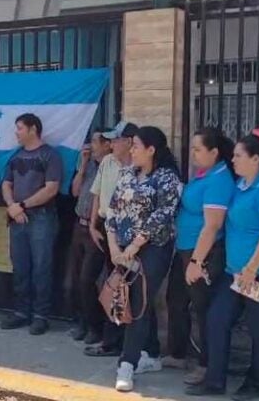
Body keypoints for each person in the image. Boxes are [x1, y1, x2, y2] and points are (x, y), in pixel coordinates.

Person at [187, 128, 259, 400]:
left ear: (256, 159)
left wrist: (252, 268)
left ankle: (258, 382)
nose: (233, 160)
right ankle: (214, 380)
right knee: (217, 318)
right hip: (235, 272)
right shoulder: (241, 187)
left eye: (239, 156)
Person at [107, 126, 182, 392]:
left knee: (138, 301)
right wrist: (114, 247)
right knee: (133, 299)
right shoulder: (127, 175)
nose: (132, 150)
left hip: (154, 248)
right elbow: (113, 211)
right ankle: (149, 353)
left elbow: (164, 213)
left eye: (136, 145)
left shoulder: (167, 178)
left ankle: (126, 364)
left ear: (151, 150)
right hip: (124, 249)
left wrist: (138, 242)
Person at [168, 127, 235, 384]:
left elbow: (213, 225)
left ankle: (207, 364)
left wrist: (196, 261)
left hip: (202, 253)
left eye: (198, 149)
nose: (192, 153)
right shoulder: (203, 175)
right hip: (185, 248)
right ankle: (177, 353)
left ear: (214, 152)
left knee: (203, 308)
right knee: (176, 299)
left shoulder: (219, 180)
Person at [1, 113, 62, 336]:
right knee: (20, 267)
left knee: (41, 267)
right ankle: (20, 312)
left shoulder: (50, 155)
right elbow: (6, 184)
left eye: (19, 128)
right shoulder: (16, 156)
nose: (16, 133)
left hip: (41, 217)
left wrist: (22, 206)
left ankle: (41, 315)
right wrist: (11, 206)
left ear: (33, 129)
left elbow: (51, 188)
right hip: (17, 217)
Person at [84, 121, 137, 357]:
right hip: (105, 231)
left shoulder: (138, 168)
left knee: (124, 288)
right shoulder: (106, 162)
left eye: (116, 140)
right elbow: (96, 194)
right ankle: (110, 339)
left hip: (128, 236)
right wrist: (94, 225)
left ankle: (120, 342)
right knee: (108, 285)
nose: (111, 144)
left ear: (129, 142)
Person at [65, 130, 111, 345]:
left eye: (94, 141)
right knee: (73, 280)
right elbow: (74, 191)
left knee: (87, 280)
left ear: (106, 145)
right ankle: (81, 321)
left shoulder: (109, 167)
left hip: (96, 228)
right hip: (79, 225)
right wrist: (82, 166)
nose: (90, 146)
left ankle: (96, 326)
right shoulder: (89, 165)